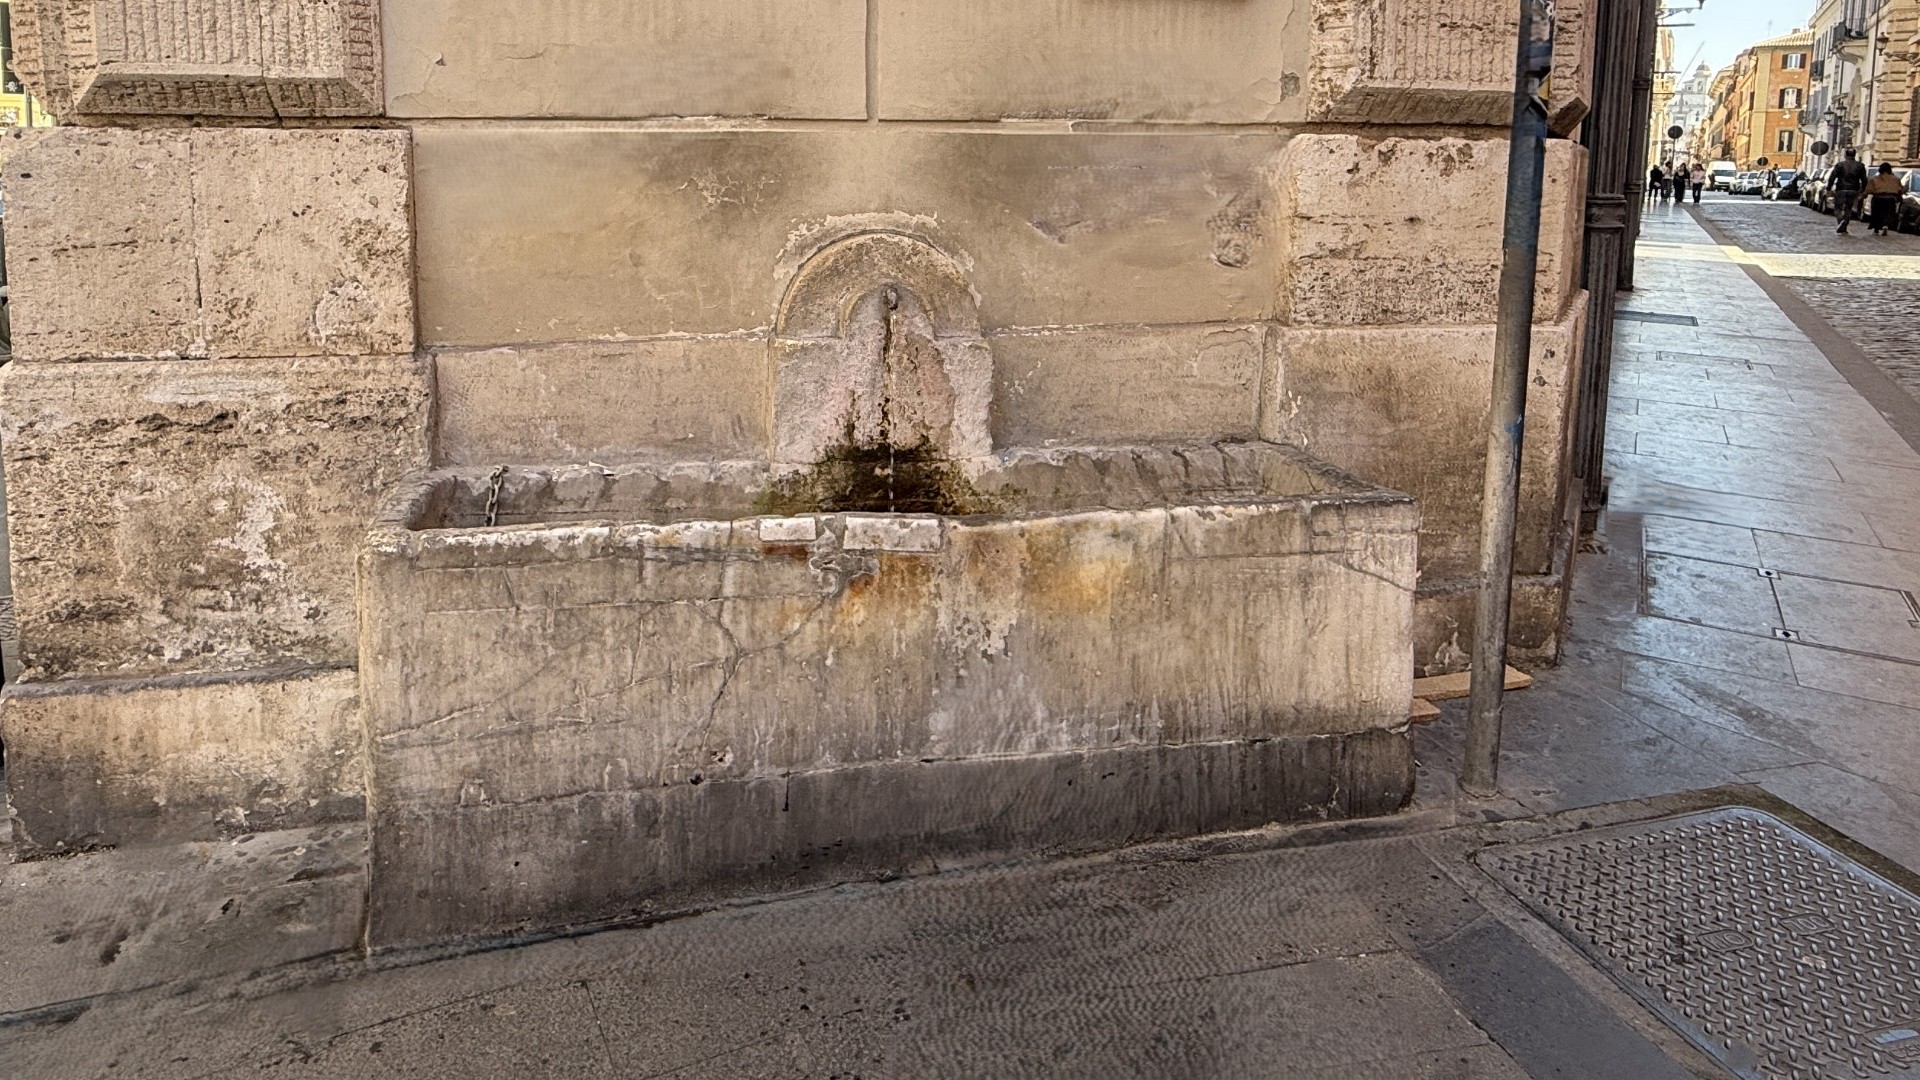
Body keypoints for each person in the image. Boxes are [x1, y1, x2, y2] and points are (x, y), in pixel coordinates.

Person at [1830, 148, 1869, 234]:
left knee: (1837, 208)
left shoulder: (1840, 165)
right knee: (1848, 208)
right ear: (1854, 155)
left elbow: (1832, 177)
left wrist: (1828, 188)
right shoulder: (1860, 166)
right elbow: (1864, 180)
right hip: (1853, 190)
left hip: (1841, 189)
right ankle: (1845, 223)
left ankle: (1840, 221)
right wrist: (1863, 191)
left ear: (1845, 155)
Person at [1865, 162, 1904, 236]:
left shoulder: (1874, 179)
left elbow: (1869, 189)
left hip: (1878, 198)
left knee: (1876, 213)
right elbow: (1900, 189)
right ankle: (1885, 225)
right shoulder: (1896, 179)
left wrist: (1863, 195)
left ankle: (1876, 229)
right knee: (1888, 214)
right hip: (1891, 199)